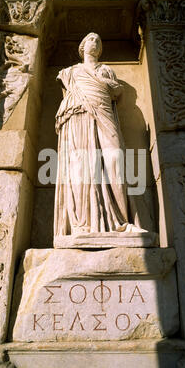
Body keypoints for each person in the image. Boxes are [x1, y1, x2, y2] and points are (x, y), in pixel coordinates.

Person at [54, 32, 144, 240]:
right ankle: (82, 224)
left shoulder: (106, 71)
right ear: (82, 46)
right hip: (76, 117)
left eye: (98, 40)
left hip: (104, 115)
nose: (94, 42)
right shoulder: (69, 72)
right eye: (90, 39)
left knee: (115, 160)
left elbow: (115, 92)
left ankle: (121, 221)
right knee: (79, 168)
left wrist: (106, 84)